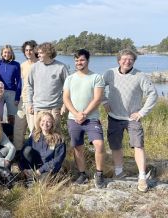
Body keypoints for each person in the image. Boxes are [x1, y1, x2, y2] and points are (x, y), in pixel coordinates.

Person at [103, 49, 158, 192]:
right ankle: (119, 172)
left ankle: (142, 177)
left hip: (133, 118)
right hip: (114, 117)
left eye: (130, 59)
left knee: (138, 145)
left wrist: (141, 112)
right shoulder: (110, 73)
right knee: (115, 146)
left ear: (134, 61)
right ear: (118, 60)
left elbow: (153, 94)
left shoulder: (140, 76)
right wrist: (104, 101)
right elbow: (99, 87)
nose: (127, 61)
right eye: (124, 59)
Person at [63, 49, 105, 188]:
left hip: (91, 118)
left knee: (99, 144)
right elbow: (66, 98)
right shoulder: (70, 78)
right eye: (76, 60)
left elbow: (97, 99)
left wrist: (84, 114)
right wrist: (76, 114)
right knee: (77, 147)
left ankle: (99, 174)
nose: (78, 63)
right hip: (73, 118)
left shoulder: (96, 77)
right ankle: (82, 174)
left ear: (87, 60)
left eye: (81, 60)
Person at [27, 42, 69, 131]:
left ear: (48, 53)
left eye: (41, 53)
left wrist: (65, 105)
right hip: (38, 107)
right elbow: (30, 86)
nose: (38, 55)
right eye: (38, 53)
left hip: (54, 108)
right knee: (38, 134)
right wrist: (30, 103)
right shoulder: (34, 67)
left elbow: (68, 88)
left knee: (54, 134)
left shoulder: (61, 67)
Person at [19, 112, 66, 184]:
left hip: (48, 169)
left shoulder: (58, 139)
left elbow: (57, 161)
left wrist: (40, 171)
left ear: (52, 123)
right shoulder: (34, 136)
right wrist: (23, 168)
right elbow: (23, 153)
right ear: (39, 122)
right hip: (34, 167)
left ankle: (41, 179)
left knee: (43, 182)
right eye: (43, 121)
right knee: (27, 150)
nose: (45, 123)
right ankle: (29, 176)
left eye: (48, 121)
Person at [13, 40, 38, 151]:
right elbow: (20, 83)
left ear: (35, 50)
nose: (28, 52)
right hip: (23, 100)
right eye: (26, 50)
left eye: (30, 50)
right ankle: (18, 152)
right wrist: (17, 98)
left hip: (34, 101)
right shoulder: (23, 65)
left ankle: (33, 153)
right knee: (18, 127)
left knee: (33, 128)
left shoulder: (40, 64)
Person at [0, 45, 21, 126]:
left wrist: (17, 97)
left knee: (12, 116)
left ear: (12, 53)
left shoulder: (16, 65)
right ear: (2, 53)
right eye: (5, 52)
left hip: (11, 92)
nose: (7, 54)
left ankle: (11, 136)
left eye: (9, 52)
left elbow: (19, 81)